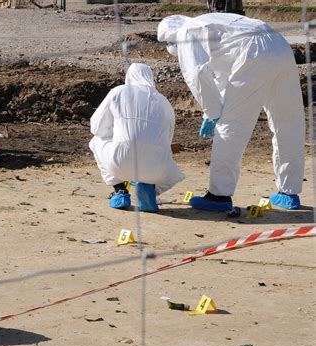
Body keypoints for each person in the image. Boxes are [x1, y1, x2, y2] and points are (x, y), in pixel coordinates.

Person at [157, 14, 305, 211]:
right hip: (278, 43)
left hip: (253, 52)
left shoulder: (186, 33)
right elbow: (224, 78)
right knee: (288, 121)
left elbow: (198, 76)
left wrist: (212, 113)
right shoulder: (212, 25)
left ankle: (219, 196)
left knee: (231, 126)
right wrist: (210, 112)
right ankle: (289, 192)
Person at [89, 62, 184, 212]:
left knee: (95, 141)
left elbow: (95, 126)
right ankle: (148, 188)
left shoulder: (118, 92)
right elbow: (167, 140)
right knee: (174, 173)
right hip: (158, 170)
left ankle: (120, 190)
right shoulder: (164, 102)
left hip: (120, 163)